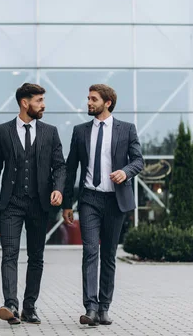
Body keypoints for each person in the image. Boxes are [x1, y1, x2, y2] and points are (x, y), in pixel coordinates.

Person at [0, 83, 66, 325]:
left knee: (36, 257)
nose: (43, 105)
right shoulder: (3, 131)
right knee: (10, 254)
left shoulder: (50, 132)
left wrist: (58, 188)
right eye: (39, 101)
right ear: (24, 103)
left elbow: (59, 165)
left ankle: (29, 307)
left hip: (39, 204)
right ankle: (11, 305)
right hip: (11, 203)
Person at [63, 84, 143, 326]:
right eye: (88, 98)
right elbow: (70, 168)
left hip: (115, 201)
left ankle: (104, 307)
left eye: (93, 99)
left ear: (107, 102)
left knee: (108, 255)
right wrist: (67, 203)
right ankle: (91, 307)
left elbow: (138, 160)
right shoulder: (80, 131)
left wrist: (126, 172)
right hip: (89, 199)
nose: (88, 102)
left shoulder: (126, 130)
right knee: (90, 251)